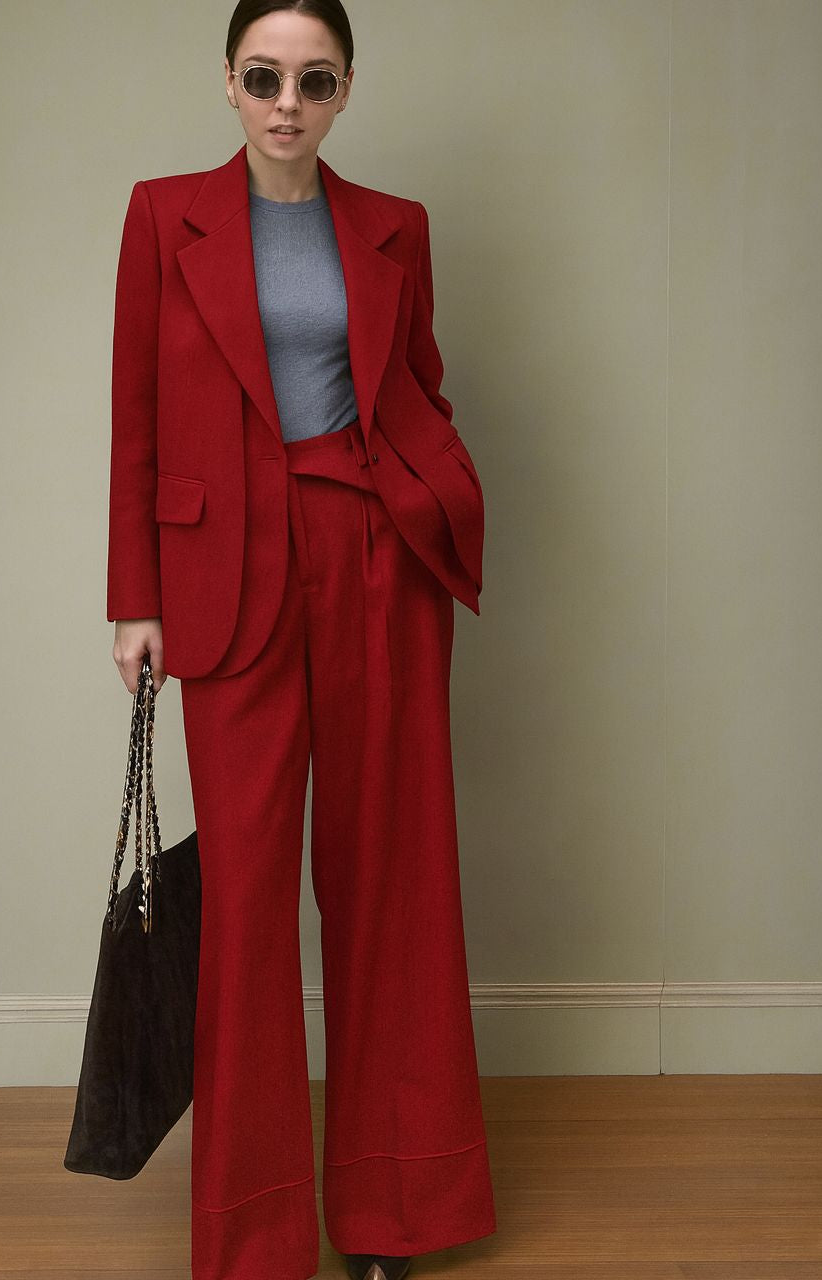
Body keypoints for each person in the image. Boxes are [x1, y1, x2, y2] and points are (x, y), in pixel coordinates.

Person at [107, 3, 496, 1278]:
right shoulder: (165, 216)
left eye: (313, 79)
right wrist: (135, 594)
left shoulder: (394, 227)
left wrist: (432, 492)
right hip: (227, 581)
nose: (288, 100)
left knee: (391, 881)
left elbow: (418, 386)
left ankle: (395, 1212)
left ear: (342, 93)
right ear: (228, 84)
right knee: (248, 910)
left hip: (375, 563)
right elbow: (137, 415)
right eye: (265, 76)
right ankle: (257, 1231)